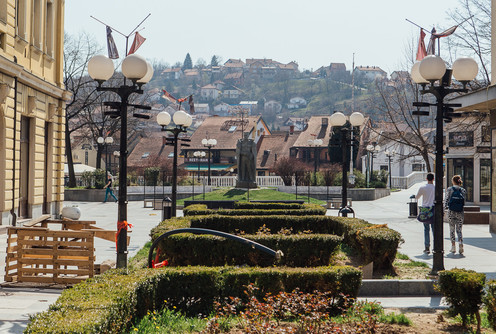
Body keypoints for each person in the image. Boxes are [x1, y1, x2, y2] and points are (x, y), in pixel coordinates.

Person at [445, 175, 466, 254]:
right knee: (459, 230)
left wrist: (443, 210)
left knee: (452, 229)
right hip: (460, 212)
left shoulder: (450, 189)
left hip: (451, 212)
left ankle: (453, 247)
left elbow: (446, 200)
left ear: (453, 181)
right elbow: (464, 202)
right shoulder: (463, 190)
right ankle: (461, 245)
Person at [415, 173, 435, 254]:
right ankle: (435, 247)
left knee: (426, 229)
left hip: (425, 210)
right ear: (433, 179)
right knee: (434, 230)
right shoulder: (435, 188)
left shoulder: (423, 187)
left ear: (426, 179)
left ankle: (427, 247)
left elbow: (417, 197)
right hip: (433, 209)